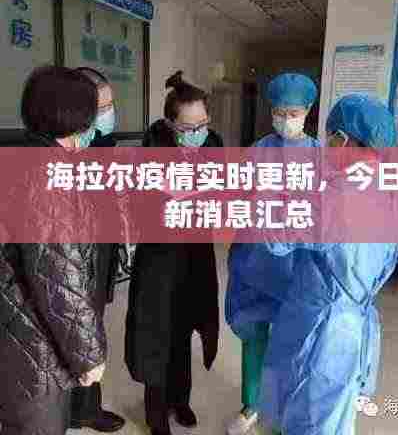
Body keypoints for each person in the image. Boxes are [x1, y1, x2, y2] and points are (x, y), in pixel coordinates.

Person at [227, 93, 398, 435]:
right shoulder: (390, 192)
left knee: (308, 412)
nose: (327, 145)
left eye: (331, 137)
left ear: (345, 140)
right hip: (356, 323)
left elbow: (276, 239)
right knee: (336, 413)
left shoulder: (332, 197)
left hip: (319, 327)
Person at [0, 66, 107, 435]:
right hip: (36, 348)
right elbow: (60, 279)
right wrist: (89, 355)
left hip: (14, 333)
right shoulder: (49, 178)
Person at [125, 71, 221, 435]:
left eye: (202, 125)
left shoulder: (213, 146)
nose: (197, 133)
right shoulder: (150, 151)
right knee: (157, 332)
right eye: (188, 127)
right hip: (159, 261)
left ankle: (180, 399)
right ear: (170, 123)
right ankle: (156, 411)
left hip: (196, 257)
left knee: (185, 328)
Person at [226, 73, 322, 435]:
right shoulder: (257, 151)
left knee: (290, 343)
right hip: (254, 262)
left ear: (308, 110)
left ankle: (283, 409)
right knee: (254, 335)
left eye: (293, 113)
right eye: (279, 112)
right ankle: (252, 403)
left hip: (296, 266)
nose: (285, 119)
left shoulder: (320, 156)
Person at [67, 67, 126, 433]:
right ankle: (73, 411)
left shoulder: (104, 145)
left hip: (99, 256)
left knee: (92, 331)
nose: (108, 113)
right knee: (74, 333)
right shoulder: (62, 151)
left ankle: (86, 408)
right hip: (71, 262)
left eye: (110, 105)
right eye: (100, 107)